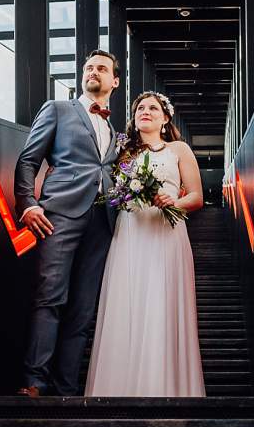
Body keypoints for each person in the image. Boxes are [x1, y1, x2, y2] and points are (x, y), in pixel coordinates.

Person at [85, 91, 207, 397]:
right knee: (127, 300)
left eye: (153, 108)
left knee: (162, 302)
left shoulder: (179, 149)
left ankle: (164, 386)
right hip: (130, 233)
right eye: (141, 108)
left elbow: (196, 196)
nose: (146, 112)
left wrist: (174, 201)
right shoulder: (123, 151)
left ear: (165, 119)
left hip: (166, 232)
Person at [13, 51, 120, 397]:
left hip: (103, 222)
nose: (93, 72)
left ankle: (67, 388)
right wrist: (28, 204)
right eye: (89, 68)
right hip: (58, 216)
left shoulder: (114, 130)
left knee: (84, 308)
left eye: (102, 69)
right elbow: (28, 160)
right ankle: (34, 381)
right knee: (50, 297)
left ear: (114, 81)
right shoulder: (58, 109)